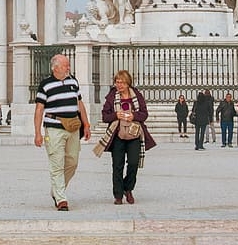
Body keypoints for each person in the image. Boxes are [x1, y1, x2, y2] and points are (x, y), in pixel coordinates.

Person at [34, 54, 91, 211]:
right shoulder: (45, 85)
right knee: (57, 164)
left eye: (68, 65)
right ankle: (61, 199)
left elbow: (80, 104)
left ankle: (56, 190)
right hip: (54, 128)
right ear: (55, 67)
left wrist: (86, 124)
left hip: (73, 128)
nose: (68, 68)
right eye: (66, 65)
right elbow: (39, 110)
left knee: (72, 162)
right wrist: (37, 133)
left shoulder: (73, 81)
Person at [93, 70, 155, 205]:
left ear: (128, 83)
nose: (119, 85)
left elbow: (144, 114)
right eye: (117, 82)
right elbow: (105, 116)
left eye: (122, 82)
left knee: (133, 163)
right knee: (117, 165)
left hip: (134, 134)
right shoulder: (111, 96)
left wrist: (134, 116)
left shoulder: (137, 95)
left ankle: (128, 188)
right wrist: (116, 115)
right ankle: (118, 195)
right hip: (117, 135)